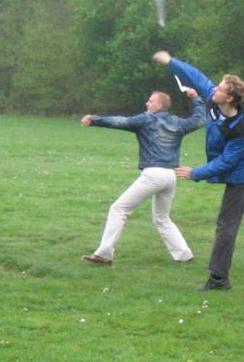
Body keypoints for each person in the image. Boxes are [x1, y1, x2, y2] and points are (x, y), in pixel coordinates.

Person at [153, 50, 244, 291]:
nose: (214, 89)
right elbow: (195, 76)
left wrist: (196, 172)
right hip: (243, 169)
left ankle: (218, 279)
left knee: (226, 224)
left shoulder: (240, 128)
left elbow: (227, 162)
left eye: (221, 89)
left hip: (242, 175)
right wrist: (171, 62)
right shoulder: (212, 98)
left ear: (229, 99)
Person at [80, 88, 205, 265]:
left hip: (153, 174)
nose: (147, 103)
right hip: (170, 176)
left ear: (159, 105)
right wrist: (195, 98)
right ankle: (184, 255)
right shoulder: (178, 123)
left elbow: (120, 121)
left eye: (151, 101)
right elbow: (199, 119)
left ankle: (104, 254)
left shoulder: (146, 119)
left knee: (119, 209)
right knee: (162, 219)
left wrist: (94, 120)